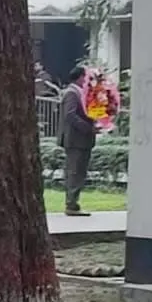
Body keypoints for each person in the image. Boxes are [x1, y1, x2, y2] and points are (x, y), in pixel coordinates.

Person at [59, 63, 97, 215]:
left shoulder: (81, 93)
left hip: (82, 140)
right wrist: (88, 128)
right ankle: (71, 204)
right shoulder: (71, 93)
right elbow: (70, 115)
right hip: (76, 140)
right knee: (75, 171)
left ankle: (73, 203)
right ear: (80, 77)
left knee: (79, 171)